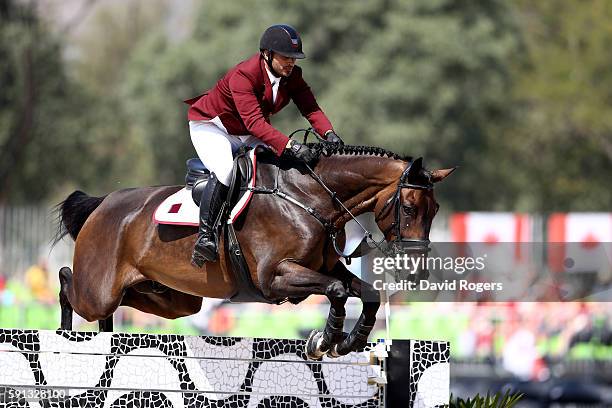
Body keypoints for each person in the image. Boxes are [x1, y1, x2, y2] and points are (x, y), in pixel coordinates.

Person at [184, 24, 342, 267]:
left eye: (295, 58)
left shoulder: (293, 77)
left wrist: (329, 133)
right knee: (227, 171)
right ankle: (206, 238)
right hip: (212, 127)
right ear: (267, 54)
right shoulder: (244, 75)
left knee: (281, 167)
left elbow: (310, 108)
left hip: (245, 132)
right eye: (286, 57)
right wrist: (290, 144)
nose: (291, 62)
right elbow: (255, 122)